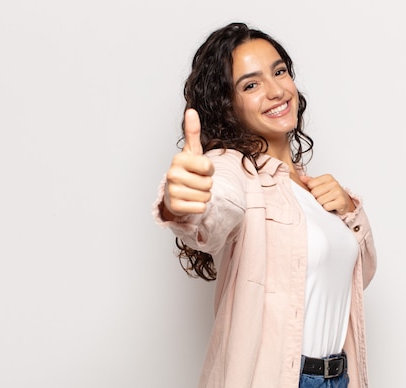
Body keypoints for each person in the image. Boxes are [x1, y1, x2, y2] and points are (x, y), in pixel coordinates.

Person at [153, 22, 377, 388]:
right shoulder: (234, 169)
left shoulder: (311, 189)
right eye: (251, 84)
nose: (276, 90)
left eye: (279, 71)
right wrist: (184, 202)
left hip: (340, 377)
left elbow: (356, 279)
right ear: (228, 104)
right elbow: (212, 212)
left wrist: (351, 212)